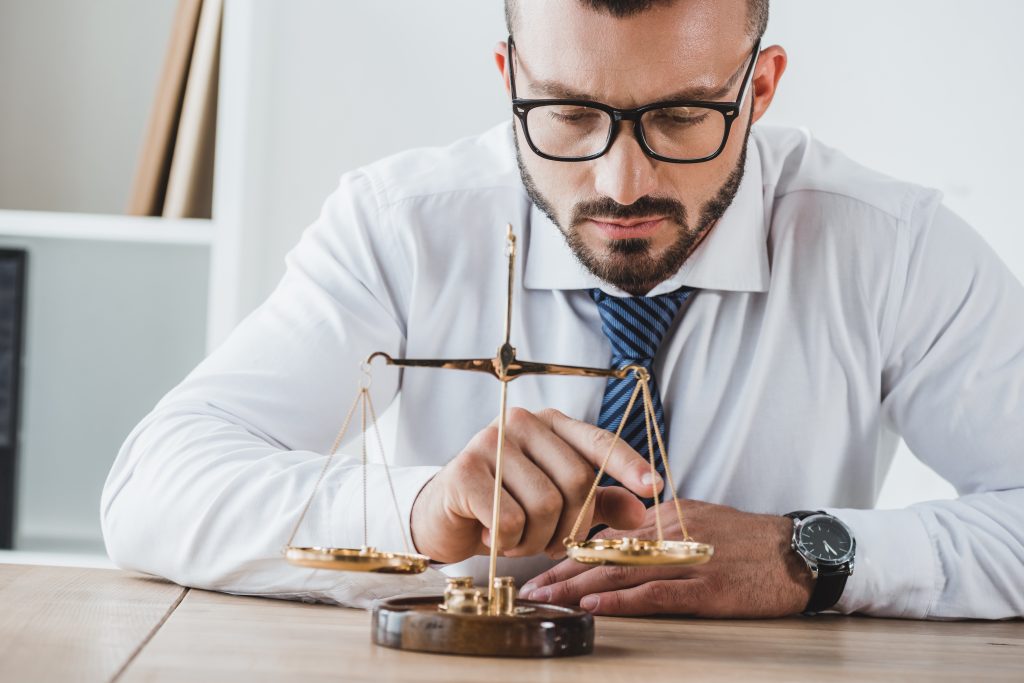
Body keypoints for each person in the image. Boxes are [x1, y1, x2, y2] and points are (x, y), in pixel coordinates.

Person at [101, 0, 1024, 619]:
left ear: (761, 88)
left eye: (682, 117)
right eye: (571, 115)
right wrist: (420, 513)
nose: (623, 182)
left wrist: (808, 554)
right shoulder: (401, 226)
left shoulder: (892, 244)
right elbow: (150, 490)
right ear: (509, 78)